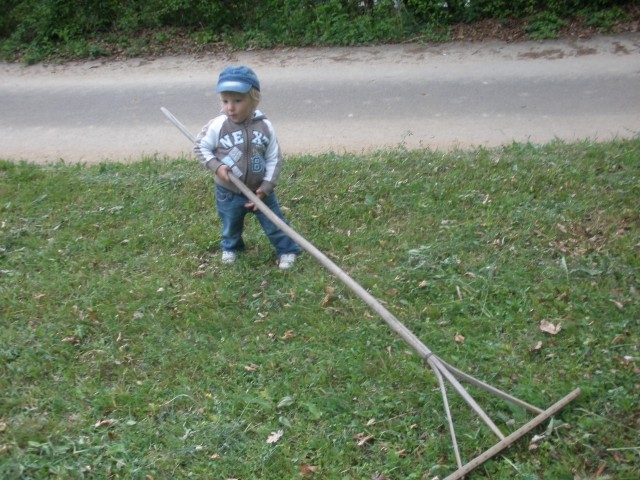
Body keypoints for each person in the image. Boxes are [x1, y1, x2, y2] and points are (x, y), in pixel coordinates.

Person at [193, 65, 301, 270]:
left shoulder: (264, 126)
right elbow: (200, 147)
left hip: (260, 190)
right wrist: (216, 166)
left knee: (275, 222)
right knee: (230, 224)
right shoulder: (218, 125)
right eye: (225, 101)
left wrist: (266, 187)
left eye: (237, 101)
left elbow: (273, 157)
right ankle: (232, 247)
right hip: (229, 191)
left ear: (254, 99)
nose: (230, 107)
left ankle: (287, 249)